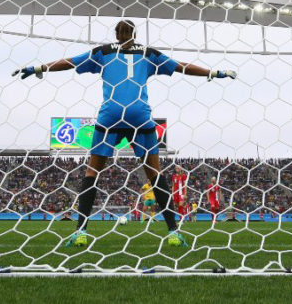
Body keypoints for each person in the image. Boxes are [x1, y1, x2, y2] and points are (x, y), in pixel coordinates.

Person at [15, 20, 236, 248]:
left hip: (110, 116)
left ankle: (80, 232)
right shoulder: (148, 53)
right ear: (134, 34)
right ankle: (173, 232)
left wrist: (39, 68)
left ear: (116, 34)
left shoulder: (103, 52)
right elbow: (181, 66)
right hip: (140, 116)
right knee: (155, 175)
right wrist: (213, 72)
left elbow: (70, 62)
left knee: (92, 173)